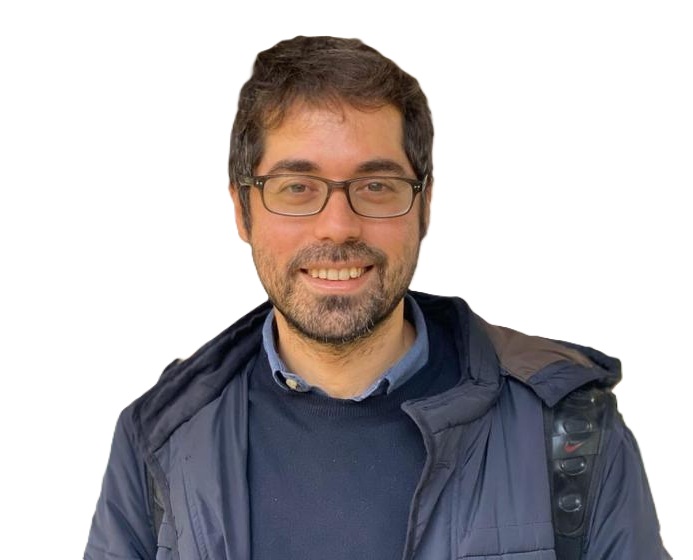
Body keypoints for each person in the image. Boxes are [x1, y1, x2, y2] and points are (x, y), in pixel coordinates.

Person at [84, 36, 670, 560]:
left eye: (375, 186)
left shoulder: (569, 430)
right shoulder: (159, 440)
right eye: (297, 187)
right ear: (243, 209)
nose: (338, 226)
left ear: (424, 206)